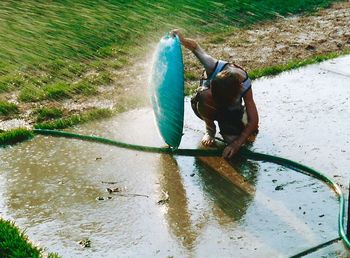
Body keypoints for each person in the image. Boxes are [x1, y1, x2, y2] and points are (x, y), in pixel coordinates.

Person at [170, 29, 259, 159]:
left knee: (232, 140)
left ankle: (237, 120)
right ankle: (210, 129)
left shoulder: (244, 83)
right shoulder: (212, 66)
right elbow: (195, 47)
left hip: (230, 109)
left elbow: (254, 120)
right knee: (203, 95)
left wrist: (237, 144)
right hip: (206, 104)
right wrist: (182, 40)